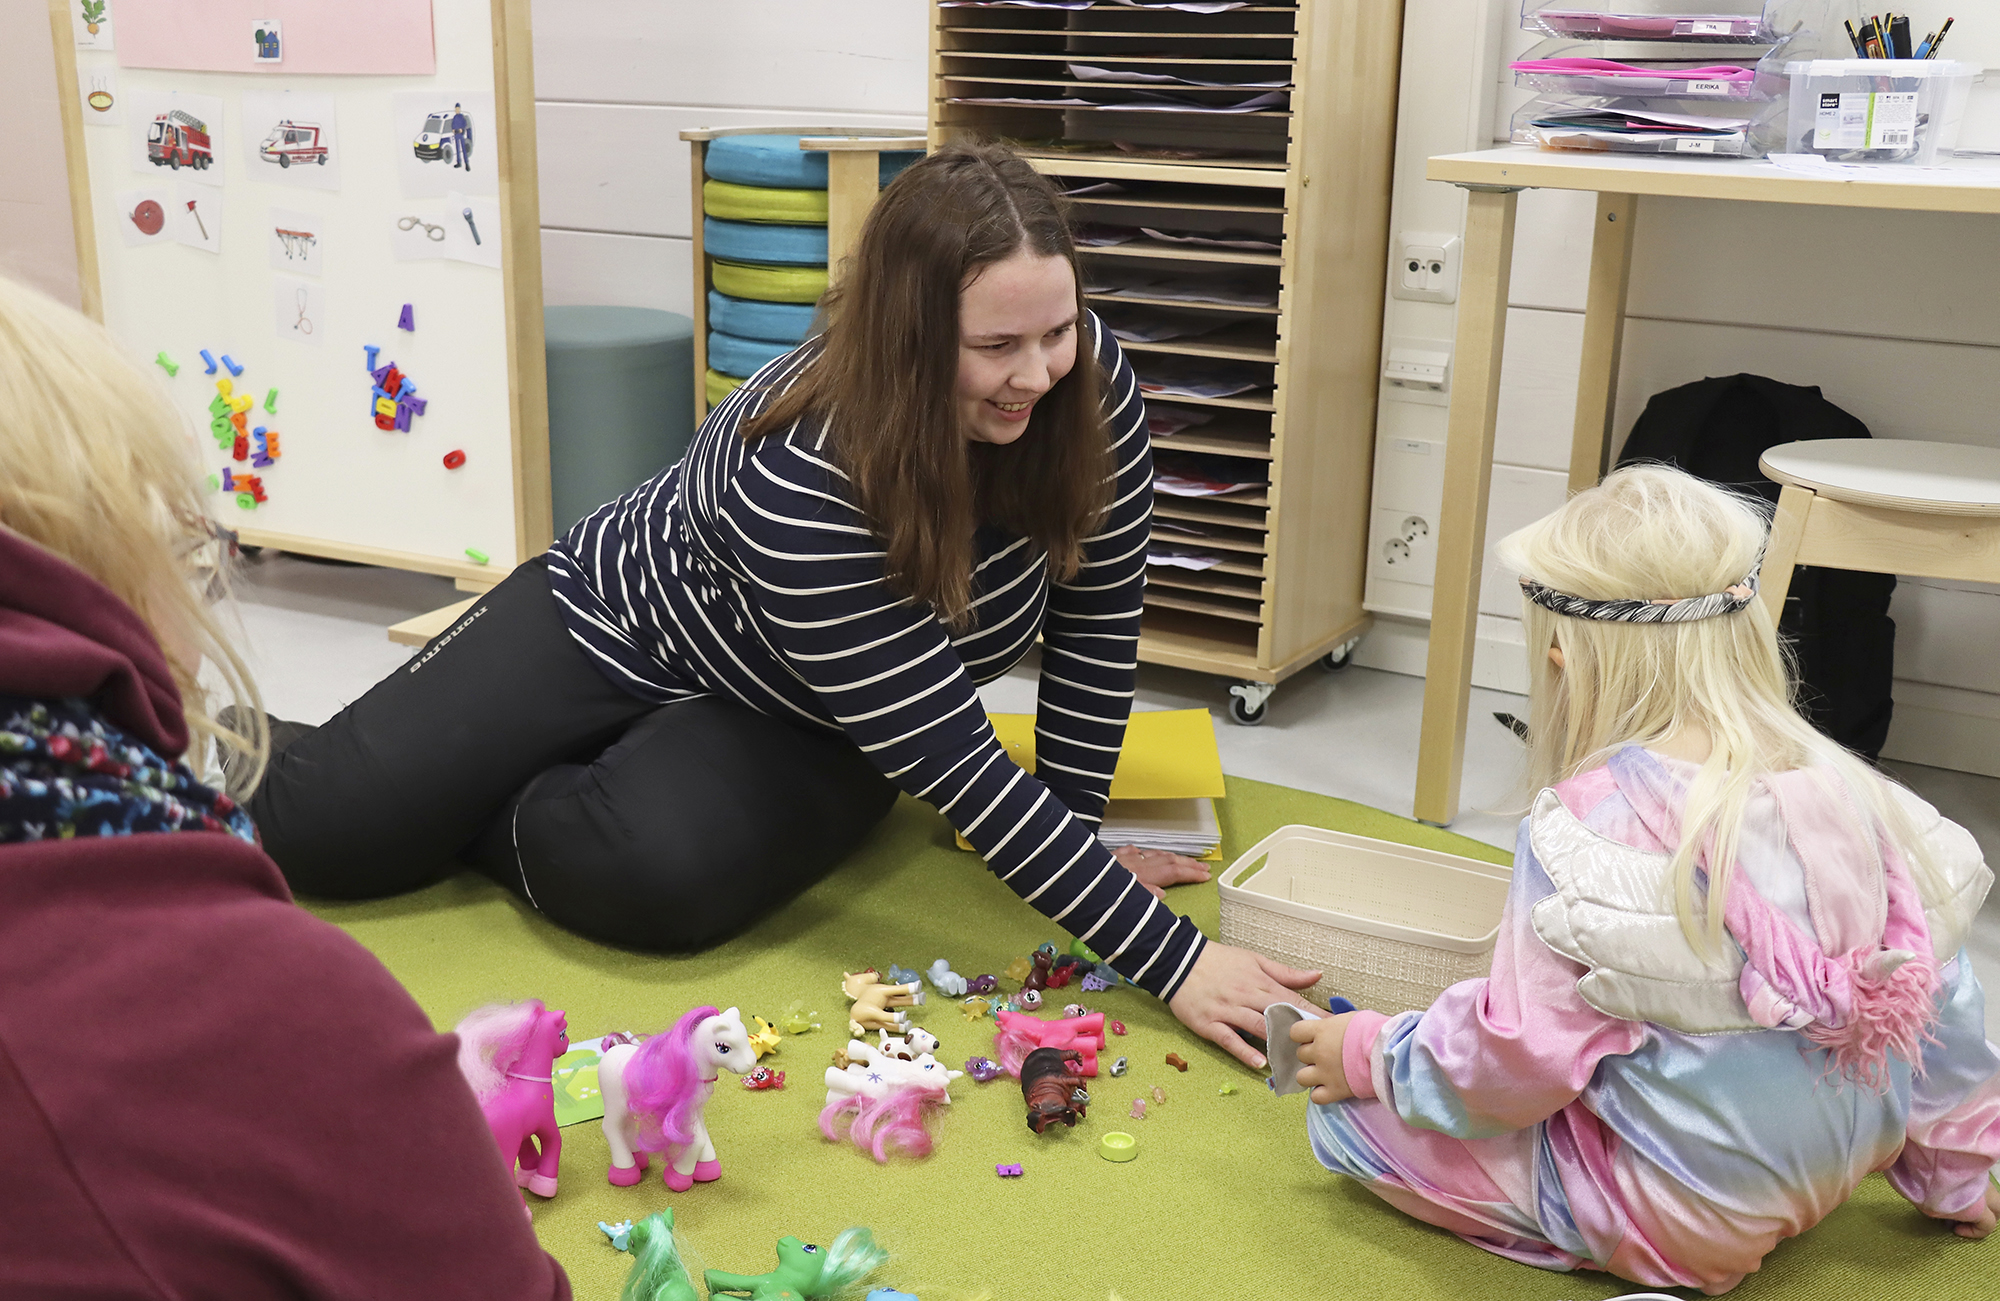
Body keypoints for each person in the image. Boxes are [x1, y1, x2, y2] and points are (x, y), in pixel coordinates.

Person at [250, 142, 1317, 1069]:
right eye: (995, 347)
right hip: (619, 621)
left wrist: (1077, 826)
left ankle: (477, 797)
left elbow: (1093, 614)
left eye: (1057, 330)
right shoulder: (802, 471)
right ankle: (353, 769)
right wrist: (1178, 961)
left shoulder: (1087, 388)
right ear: (903, 337)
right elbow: (959, 769)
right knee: (329, 836)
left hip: (818, 705)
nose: (1036, 373)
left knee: (658, 886)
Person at [1287, 465, 2000, 1295]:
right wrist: (1958, 1171)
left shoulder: (1586, 830)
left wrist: (1374, 1052)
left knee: (1344, 1124)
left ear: (1566, 664)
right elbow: (1942, 1004)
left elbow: (1515, 1058)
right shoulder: (1857, 787)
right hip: (1835, 1167)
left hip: (1681, 1222)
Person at [0, 274, 570, 1299]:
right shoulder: (247, 1000)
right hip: (606, 619)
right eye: (179, 551)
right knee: (648, 860)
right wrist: (393, 1109)